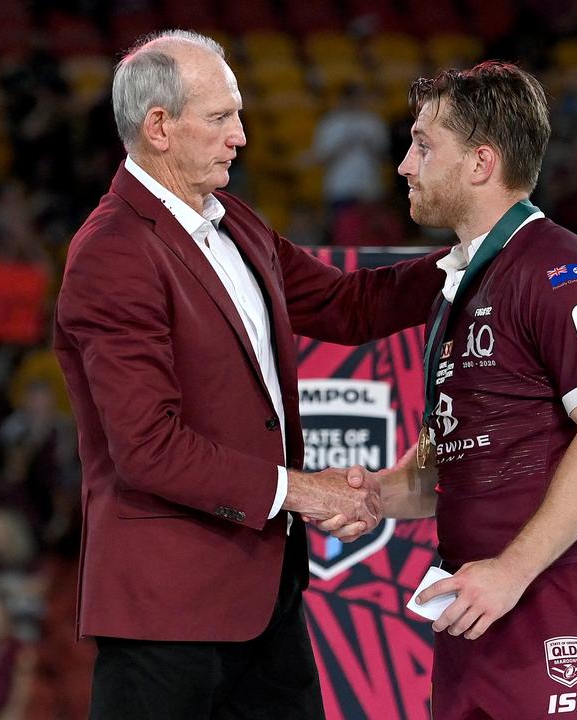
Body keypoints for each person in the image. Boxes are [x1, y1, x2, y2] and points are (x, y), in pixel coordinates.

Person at [52, 30, 446, 719]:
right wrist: (302, 492)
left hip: (267, 603)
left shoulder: (233, 220)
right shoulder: (111, 254)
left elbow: (348, 306)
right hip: (166, 617)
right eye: (221, 117)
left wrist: (474, 258)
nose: (240, 136)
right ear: (159, 127)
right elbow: (147, 447)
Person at [333, 61, 577, 719]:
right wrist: (372, 494)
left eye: (422, 145)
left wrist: (511, 571)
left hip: (553, 597)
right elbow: (456, 457)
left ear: (480, 163)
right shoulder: (462, 283)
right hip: (476, 606)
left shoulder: (559, 270)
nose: (404, 166)